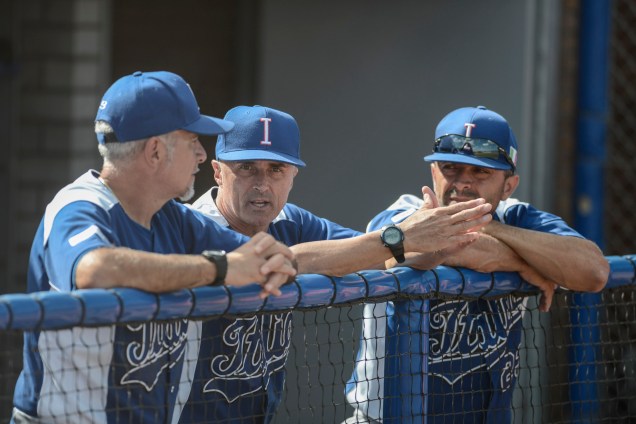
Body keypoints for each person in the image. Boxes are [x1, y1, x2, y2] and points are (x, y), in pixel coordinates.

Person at [11, 72, 298, 423]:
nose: (200, 154)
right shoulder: (78, 206)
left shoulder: (170, 216)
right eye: (192, 138)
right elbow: (94, 270)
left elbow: (263, 257)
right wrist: (218, 269)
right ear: (155, 151)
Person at [180, 105, 494, 423]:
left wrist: (436, 246)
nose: (262, 183)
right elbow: (269, 261)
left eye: (276, 169)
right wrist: (401, 236)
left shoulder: (292, 221)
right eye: (247, 167)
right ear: (218, 171)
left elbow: (377, 256)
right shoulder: (194, 225)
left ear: (293, 176)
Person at [345, 105, 609, 423]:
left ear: (508, 186)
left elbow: (594, 272)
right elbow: (405, 251)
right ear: (433, 173)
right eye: (450, 168)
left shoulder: (516, 218)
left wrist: (491, 228)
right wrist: (525, 261)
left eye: (480, 172)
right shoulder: (403, 214)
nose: (463, 183)